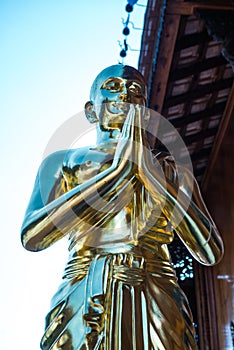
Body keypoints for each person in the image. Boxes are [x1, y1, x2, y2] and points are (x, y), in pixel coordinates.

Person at [21, 64, 224, 349]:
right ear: (91, 110)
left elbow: (209, 250)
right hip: (85, 288)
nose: (125, 96)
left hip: (157, 292)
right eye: (113, 87)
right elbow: (32, 236)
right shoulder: (63, 163)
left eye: (135, 91)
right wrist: (117, 174)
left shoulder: (171, 171)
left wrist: (150, 176)